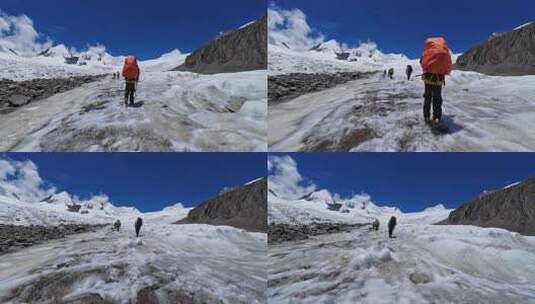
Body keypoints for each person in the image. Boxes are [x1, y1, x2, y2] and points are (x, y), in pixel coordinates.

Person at [420, 37, 452, 125]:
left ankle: (426, 116)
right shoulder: (443, 53)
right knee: (437, 98)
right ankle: (437, 117)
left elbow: (422, 63)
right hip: (439, 80)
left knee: (428, 97)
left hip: (428, 79)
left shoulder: (427, 53)